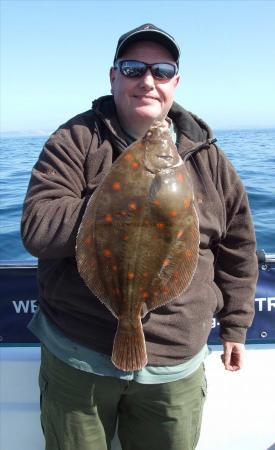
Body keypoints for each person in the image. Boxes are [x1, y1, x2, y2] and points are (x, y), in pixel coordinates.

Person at [21, 23, 258, 450]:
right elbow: (38, 227)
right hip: (80, 353)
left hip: (175, 361)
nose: (147, 81)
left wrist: (236, 326)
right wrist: (119, 205)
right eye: (133, 69)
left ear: (175, 83)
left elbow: (238, 247)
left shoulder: (209, 158)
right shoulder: (76, 140)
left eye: (161, 71)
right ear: (113, 77)